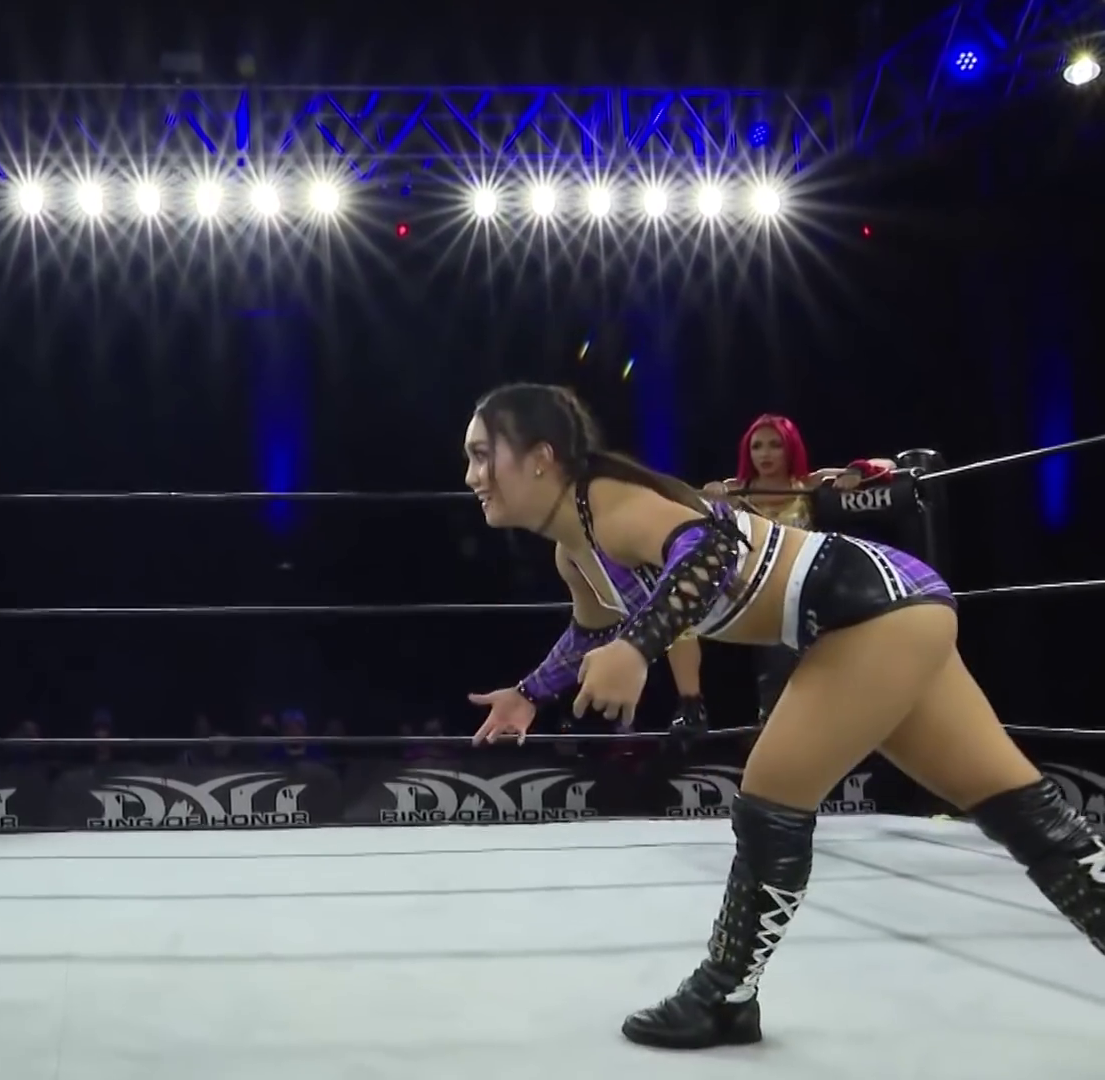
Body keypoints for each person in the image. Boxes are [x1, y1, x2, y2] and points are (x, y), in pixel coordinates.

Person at [462, 383, 1105, 1050]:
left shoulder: (609, 503)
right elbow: (591, 630)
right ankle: (725, 999)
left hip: (866, 610)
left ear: (540, 457)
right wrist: (530, 692)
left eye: (483, 455)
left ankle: (724, 995)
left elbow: (709, 548)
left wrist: (638, 647)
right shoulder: (575, 550)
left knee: (770, 797)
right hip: (888, 607)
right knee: (1019, 810)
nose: (473, 476)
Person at [689, 414, 898, 725]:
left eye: (775, 445)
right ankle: (772, 726)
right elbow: (690, 502)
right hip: (760, 593)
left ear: (790, 449)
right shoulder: (736, 489)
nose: (765, 454)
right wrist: (712, 492)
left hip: (806, 587)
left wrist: (856, 471)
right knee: (776, 669)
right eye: (757, 446)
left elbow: (887, 465)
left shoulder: (807, 484)